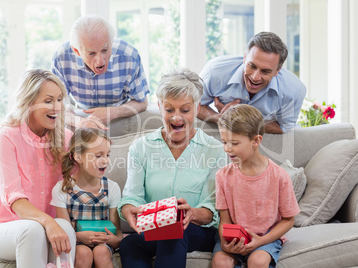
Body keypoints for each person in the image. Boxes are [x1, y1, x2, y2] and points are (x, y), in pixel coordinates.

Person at [0, 69, 76, 266]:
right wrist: (49, 222)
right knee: (31, 230)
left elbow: (80, 186)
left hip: (40, 228)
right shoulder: (7, 137)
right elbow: (14, 199)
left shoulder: (65, 139)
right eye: (49, 101)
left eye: (60, 99)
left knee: (65, 229)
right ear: (30, 103)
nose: (57, 107)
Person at [118, 68, 226, 268]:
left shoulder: (215, 150)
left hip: (196, 231)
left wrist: (193, 213)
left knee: (175, 231)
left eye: (185, 110)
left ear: (197, 107)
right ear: (159, 107)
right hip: (153, 229)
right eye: (169, 110)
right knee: (129, 244)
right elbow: (131, 197)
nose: (177, 118)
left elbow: (212, 209)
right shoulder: (141, 147)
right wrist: (129, 211)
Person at [212, 104, 300, 268]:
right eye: (224, 142)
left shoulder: (279, 176)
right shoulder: (222, 176)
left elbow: (288, 220)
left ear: (256, 140)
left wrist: (262, 241)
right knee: (220, 262)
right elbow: (225, 221)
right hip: (234, 238)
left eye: (234, 143)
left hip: (265, 236)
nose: (227, 148)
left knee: (257, 261)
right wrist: (225, 243)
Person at [52, 14, 150, 130]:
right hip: (79, 114)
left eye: (105, 50)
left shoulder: (129, 56)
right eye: (91, 53)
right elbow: (57, 105)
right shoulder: (61, 58)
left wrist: (111, 113)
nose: (100, 61)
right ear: (77, 51)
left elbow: (142, 102)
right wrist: (80, 121)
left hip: (119, 114)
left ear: (111, 42)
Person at [197, 31, 306, 134]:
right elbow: (193, 105)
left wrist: (240, 120)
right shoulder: (214, 71)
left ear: (278, 70)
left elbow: (284, 127)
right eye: (252, 66)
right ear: (245, 58)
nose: (255, 77)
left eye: (265, 71)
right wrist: (220, 118)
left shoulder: (294, 90)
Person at [51, 128, 122, 268]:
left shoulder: (112, 188)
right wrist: (79, 236)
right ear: (78, 157)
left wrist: (111, 239)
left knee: (101, 251)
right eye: (98, 156)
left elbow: (118, 235)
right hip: (75, 243)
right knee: (83, 253)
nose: (105, 161)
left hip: (103, 244)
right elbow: (64, 233)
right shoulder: (62, 189)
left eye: (108, 155)